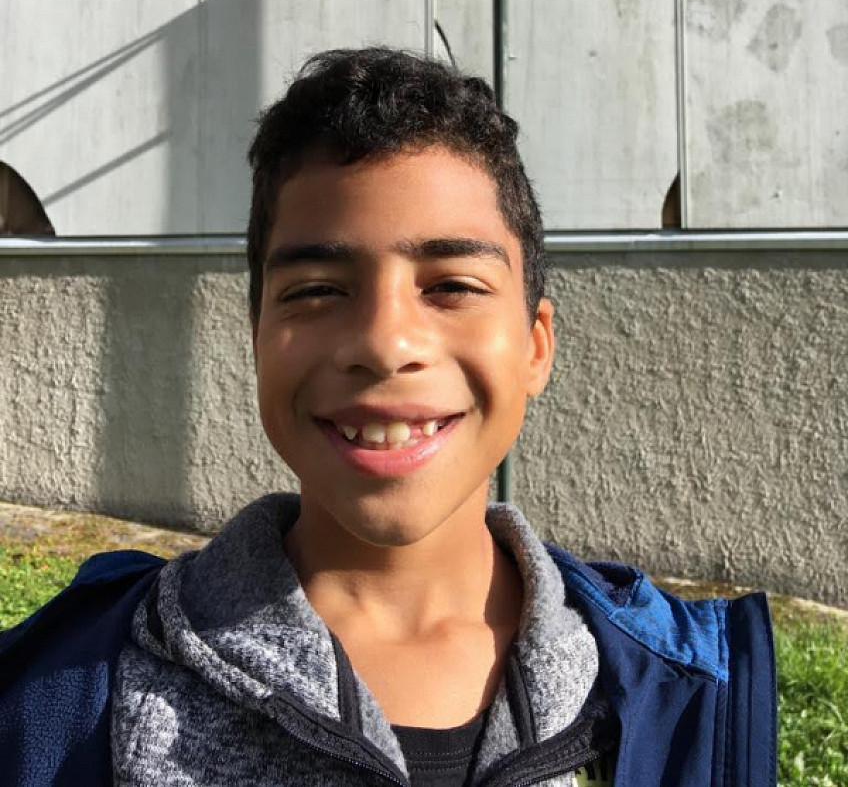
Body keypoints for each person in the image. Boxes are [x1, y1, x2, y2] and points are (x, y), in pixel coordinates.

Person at [0, 47, 776, 785]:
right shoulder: (68, 690)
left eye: (451, 286)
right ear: (257, 337)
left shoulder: (680, 695)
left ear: (536, 346)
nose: (384, 344)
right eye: (316, 291)